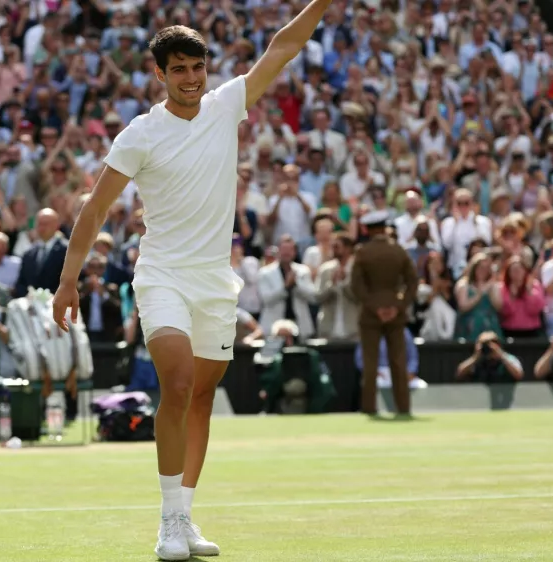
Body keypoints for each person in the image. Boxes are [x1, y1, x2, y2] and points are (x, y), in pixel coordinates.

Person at [50, 4, 334, 559]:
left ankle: (185, 516)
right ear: (160, 74)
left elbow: (282, 46)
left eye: (197, 66)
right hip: (161, 276)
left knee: (201, 397)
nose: (191, 77)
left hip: (214, 281)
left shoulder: (228, 103)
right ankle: (168, 524)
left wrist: (320, 4)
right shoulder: (140, 134)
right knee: (177, 385)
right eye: (179, 69)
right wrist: (68, 282)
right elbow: (95, 210)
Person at [350, 209, 418, 416]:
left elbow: (356, 286)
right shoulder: (399, 250)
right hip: (395, 313)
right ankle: (403, 407)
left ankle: (370, 408)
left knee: (370, 363)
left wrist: (375, 307)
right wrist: (398, 305)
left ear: (368, 230)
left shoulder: (363, 252)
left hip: (371, 314)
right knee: (399, 361)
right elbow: (413, 282)